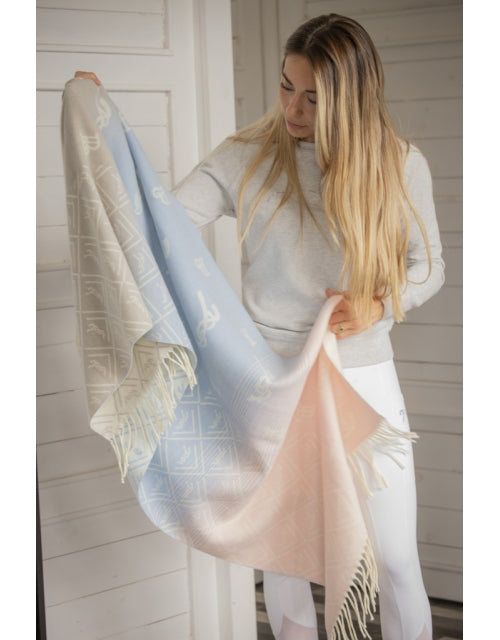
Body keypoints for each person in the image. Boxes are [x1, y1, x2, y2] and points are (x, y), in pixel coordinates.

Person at [75, 11, 444, 640]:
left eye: (313, 98)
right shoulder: (246, 156)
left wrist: (379, 305)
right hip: (268, 382)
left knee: (394, 559)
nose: (292, 109)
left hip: (361, 373)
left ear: (351, 99)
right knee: (284, 554)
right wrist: (102, 124)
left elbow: (427, 265)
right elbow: (160, 221)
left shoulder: (398, 163)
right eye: (285, 86)